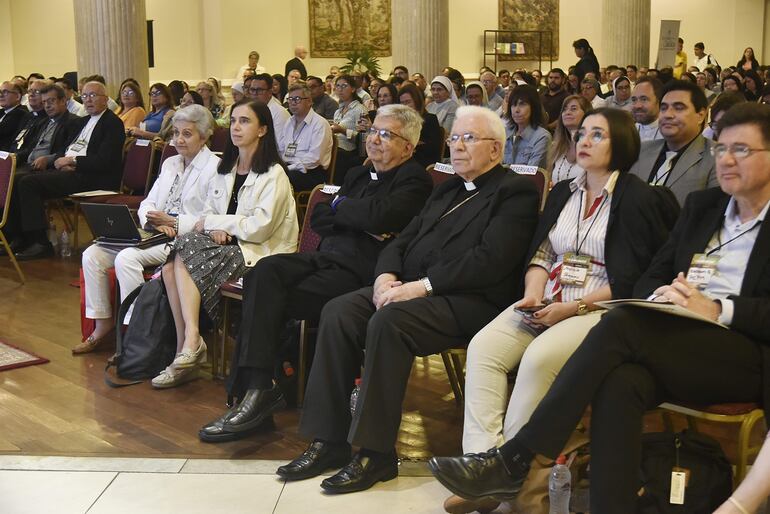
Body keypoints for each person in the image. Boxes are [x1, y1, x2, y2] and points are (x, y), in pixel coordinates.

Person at [428, 102, 770, 514]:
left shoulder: (642, 198)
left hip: (742, 350)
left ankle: (516, 459)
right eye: (721, 149)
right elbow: (652, 274)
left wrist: (717, 309)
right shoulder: (704, 206)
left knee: (619, 324)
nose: (727, 159)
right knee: (619, 383)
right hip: (679, 336)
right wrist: (664, 296)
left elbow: (630, 275)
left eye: (743, 150)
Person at [278, 105, 540, 494]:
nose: (457, 146)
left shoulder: (513, 192)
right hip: (411, 289)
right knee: (340, 310)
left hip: (470, 300)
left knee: (389, 322)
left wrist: (421, 287)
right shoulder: (447, 188)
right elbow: (402, 239)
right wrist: (385, 276)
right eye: (454, 138)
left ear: (496, 150)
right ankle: (328, 441)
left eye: (469, 139)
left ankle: (375, 452)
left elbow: (490, 260)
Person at [445, 108, 678, 514]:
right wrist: (534, 292)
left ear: (620, 143)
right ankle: (482, 469)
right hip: (549, 298)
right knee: (484, 347)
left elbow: (636, 278)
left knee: (537, 359)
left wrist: (574, 306)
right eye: (582, 133)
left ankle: (507, 471)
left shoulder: (638, 197)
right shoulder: (563, 191)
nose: (583, 141)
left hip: (600, 310)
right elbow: (542, 250)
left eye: (597, 135)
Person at [198, 105, 433, 441]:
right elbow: (321, 215)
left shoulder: (415, 180)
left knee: (267, 298)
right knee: (264, 273)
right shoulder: (357, 174)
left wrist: (346, 211)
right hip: (325, 258)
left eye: (387, 134)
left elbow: (382, 217)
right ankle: (260, 386)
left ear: (408, 147)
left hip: (364, 272)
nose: (375, 140)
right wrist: (350, 214)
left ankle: (256, 393)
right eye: (374, 132)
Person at [156, 100, 299, 386]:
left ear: (262, 130)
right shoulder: (227, 167)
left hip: (262, 254)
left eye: (245, 121)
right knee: (173, 261)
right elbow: (208, 213)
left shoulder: (274, 173)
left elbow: (259, 228)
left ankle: (190, 345)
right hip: (227, 246)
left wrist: (219, 225)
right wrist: (214, 229)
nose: (236, 127)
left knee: (183, 251)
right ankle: (187, 346)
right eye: (233, 120)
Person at [77, 105, 220, 356]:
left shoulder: (216, 167)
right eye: (175, 133)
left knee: (126, 258)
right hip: (155, 232)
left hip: (185, 240)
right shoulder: (170, 163)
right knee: (92, 254)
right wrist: (152, 220)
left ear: (204, 136)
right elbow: (147, 202)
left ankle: (137, 333)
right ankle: (102, 324)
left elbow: (212, 216)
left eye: (187, 134)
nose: (178, 139)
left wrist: (174, 222)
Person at [13, 81, 125, 260]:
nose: (88, 100)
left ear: (105, 99)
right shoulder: (82, 122)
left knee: (28, 183)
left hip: (92, 177)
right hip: (70, 171)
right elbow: (65, 149)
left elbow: (105, 161)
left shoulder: (112, 123)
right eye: (85, 96)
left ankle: (40, 242)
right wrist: (58, 160)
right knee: (17, 179)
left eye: (93, 95)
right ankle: (19, 236)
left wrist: (73, 162)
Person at [630, 80, 717, 205]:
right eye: (663, 108)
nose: (668, 115)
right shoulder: (642, 151)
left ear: (701, 115)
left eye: (678, 108)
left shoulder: (715, 157)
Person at [277, 81, 333, 192]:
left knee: (280, 179)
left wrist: (288, 168)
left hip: (312, 172)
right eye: (290, 99)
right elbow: (281, 148)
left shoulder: (319, 124)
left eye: (297, 99)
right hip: (290, 167)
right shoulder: (289, 122)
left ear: (309, 101)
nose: (292, 103)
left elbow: (314, 158)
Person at [503, 85, 552, 169]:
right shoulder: (504, 132)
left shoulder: (542, 137)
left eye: (522, 104)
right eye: (513, 105)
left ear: (533, 107)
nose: (516, 110)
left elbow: (531, 173)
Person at [330, 75, 366, 185]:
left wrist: (342, 130)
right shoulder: (338, 111)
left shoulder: (359, 109)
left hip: (349, 150)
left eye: (344, 86)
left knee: (337, 156)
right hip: (334, 146)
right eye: (338, 86)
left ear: (353, 89)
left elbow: (364, 138)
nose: (340, 89)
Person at [548, 95, 592, 184]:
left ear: (586, 114)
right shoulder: (557, 147)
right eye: (564, 109)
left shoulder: (592, 146)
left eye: (573, 109)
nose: (567, 112)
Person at [398, 82, 442, 167]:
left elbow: (432, 149)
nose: (404, 107)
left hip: (423, 163)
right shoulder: (399, 122)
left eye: (408, 102)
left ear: (417, 102)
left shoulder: (430, 119)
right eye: (402, 103)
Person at [248, 73, 290, 146]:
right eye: (252, 90)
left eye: (259, 90)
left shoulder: (279, 113)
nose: (255, 94)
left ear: (270, 92)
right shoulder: (250, 110)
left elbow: (279, 145)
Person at [631, 76, 664, 142]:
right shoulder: (630, 131)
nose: (637, 106)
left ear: (659, 101)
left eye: (644, 99)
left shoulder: (670, 133)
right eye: (634, 100)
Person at [0, 81, 28, 151]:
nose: (1, 95)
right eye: (0, 92)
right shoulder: (2, 112)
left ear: (17, 96)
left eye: (5, 92)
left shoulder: (21, 113)